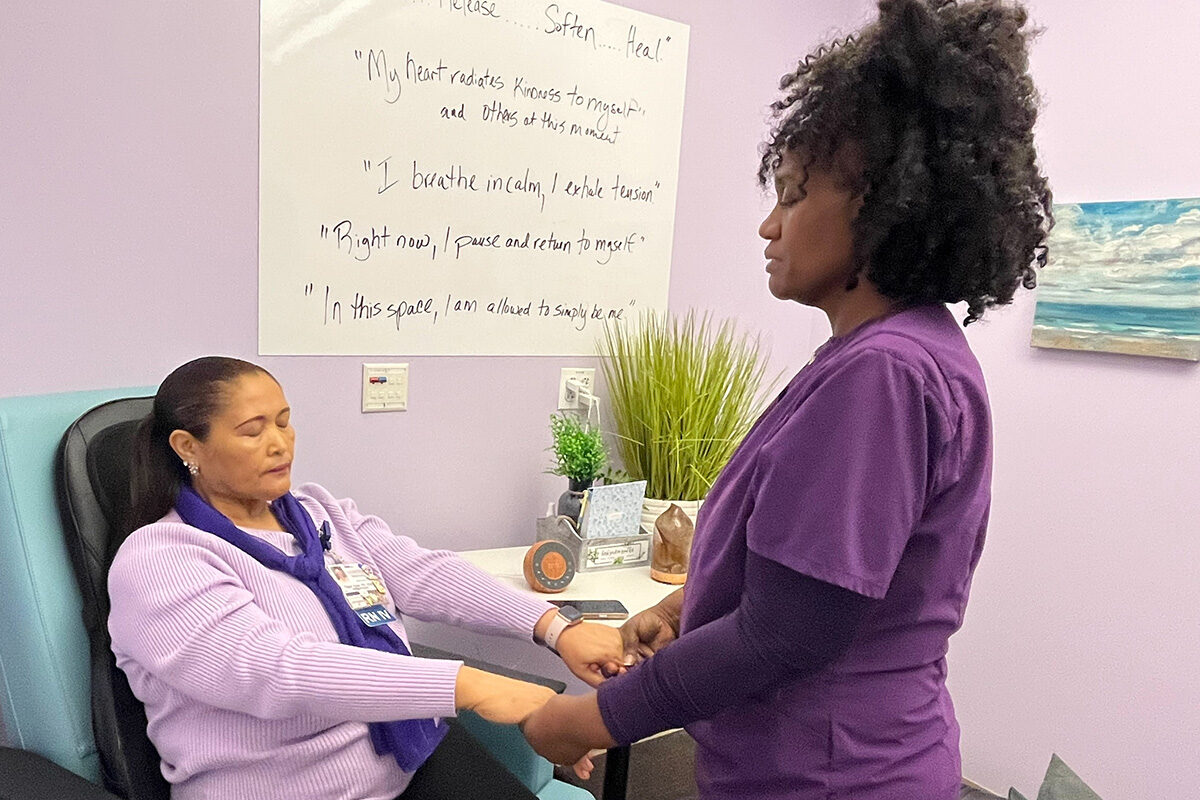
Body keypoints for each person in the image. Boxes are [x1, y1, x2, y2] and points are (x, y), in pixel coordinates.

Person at [521, 1, 1052, 798]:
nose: (769, 225)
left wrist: (590, 720)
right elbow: (811, 584)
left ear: (881, 206)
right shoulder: (893, 354)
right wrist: (687, 606)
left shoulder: (886, 377)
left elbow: (784, 633)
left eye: (794, 194)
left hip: (832, 775)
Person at [108, 356, 625, 799]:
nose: (280, 443)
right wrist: (467, 686)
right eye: (253, 430)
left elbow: (423, 573)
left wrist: (557, 627)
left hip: (402, 756)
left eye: (285, 422)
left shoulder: (318, 514)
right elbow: (279, 671)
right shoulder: (160, 560)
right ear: (187, 446)